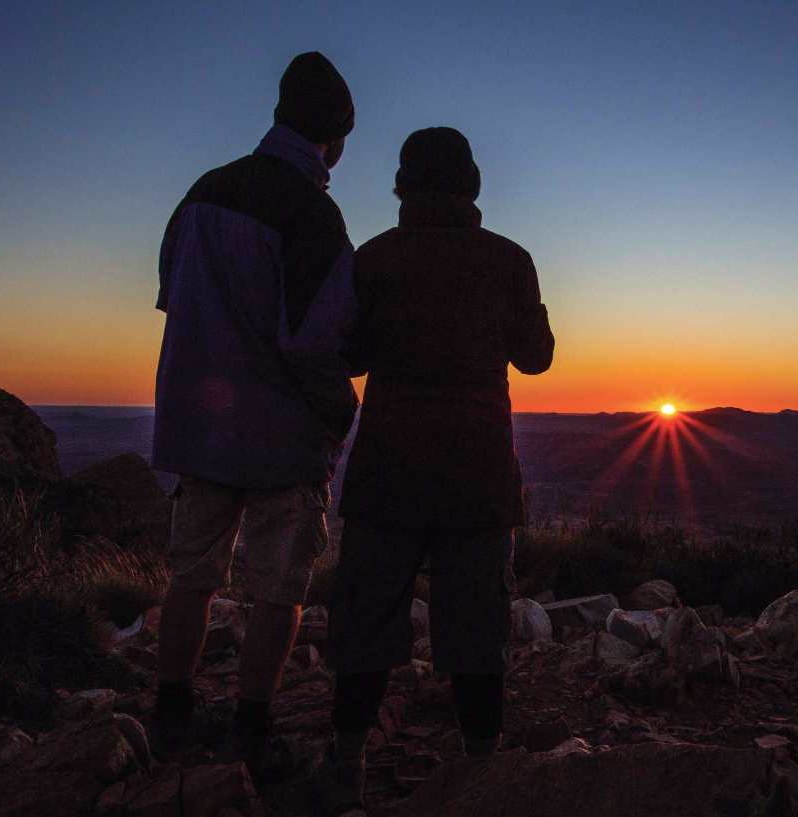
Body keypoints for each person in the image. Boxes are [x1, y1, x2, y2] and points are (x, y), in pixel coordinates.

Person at [314, 127, 555, 816]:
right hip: (478, 474)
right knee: (476, 627)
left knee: (366, 621)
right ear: (471, 183)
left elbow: (350, 355)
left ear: (402, 184)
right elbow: (536, 357)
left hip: (387, 470)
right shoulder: (508, 260)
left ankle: (347, 764)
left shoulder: (375, 258)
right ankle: (480, 771)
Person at [150, 52, 359, 773]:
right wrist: (339, 411)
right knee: (278, 587)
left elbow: (170, 294)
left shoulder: (202, 193)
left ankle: (170, 714)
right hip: (282, 436)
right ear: (334, 139)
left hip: (200, 425)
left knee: (191, 575)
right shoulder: (314, 214)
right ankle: (250, 726)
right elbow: (316, 340)